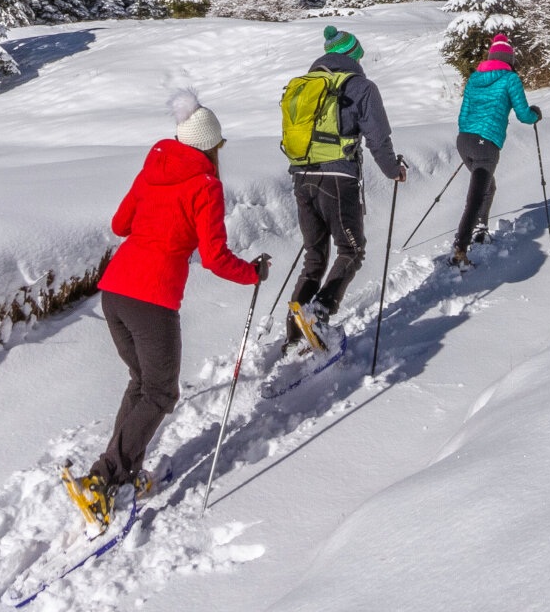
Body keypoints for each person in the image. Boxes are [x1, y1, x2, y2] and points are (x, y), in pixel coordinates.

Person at [66, 91, 270, 528]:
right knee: (161, 392)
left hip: (114, 291)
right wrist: (252, 274)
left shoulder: (152, 169)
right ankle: (102, 478)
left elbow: (120, 224)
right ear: (210, 146)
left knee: (142, 383)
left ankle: (122, 475)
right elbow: (215, 258)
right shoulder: (205, 185)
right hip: (152, 298)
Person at [287, 26, 404, 351]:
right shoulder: (361, 87)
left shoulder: (304, 86)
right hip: (338, 178)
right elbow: (378, 138)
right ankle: (319, 313)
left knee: (314, 257)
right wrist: (393, 170)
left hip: (301, 176)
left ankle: (294, 336)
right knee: (351, 249)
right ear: (352, 55)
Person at [450, 33, 541, 269]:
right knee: (476, 197)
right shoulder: (510, 79)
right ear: (509, 60)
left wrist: (470, 135)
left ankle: (481, 231)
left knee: (487, 187)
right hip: (486, 143)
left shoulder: (474, 78)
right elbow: (523, 115)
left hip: (464, 140)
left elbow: (464, 112)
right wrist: (535, 115)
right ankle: (460, 249)